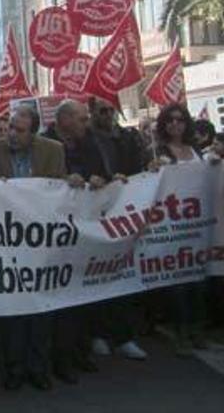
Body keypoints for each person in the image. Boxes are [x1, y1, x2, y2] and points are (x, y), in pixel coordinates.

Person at [0, 105, 67, 392]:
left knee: (41, 308)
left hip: (40, 239)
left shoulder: (53, 150)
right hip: (6, 241)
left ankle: (38, 367)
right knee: (13, 309)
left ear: (33, 132)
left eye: (19, 130)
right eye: (9, 127)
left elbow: (59, 188)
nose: (11, 134)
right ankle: (14, 368)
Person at [42, 100, 110, 384]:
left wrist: (100, 180)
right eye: (82, 119)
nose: (87, 123)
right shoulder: (45, 144)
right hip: (54, 232)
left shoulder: (90, 143)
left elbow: (105, 175)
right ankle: (59, 358)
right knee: (59, 300)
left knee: (81, 295)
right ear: (65, 119)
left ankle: (80, 351)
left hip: (84, 229)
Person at [86, 97, 148, 361]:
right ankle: (98, 334)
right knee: (96, 273)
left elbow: (141, 165)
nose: (108, 115)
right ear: (92, 112)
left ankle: (124, 336)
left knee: (121, 273)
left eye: (112, 109)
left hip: (125, 210)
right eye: (102, 110)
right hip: (95, 213)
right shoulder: (84, 139)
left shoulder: (127, 137)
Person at [147, 104, 209, 356]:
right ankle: (180, 331)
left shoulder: (196, 151)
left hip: (197, 223)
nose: (175, 124)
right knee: (178, 283)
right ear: (163, 124)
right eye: (170, 120)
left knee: (199, 280)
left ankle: (197, 329)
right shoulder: (157, 151)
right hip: (171, 225)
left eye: (180, 120)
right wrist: (151, 169)